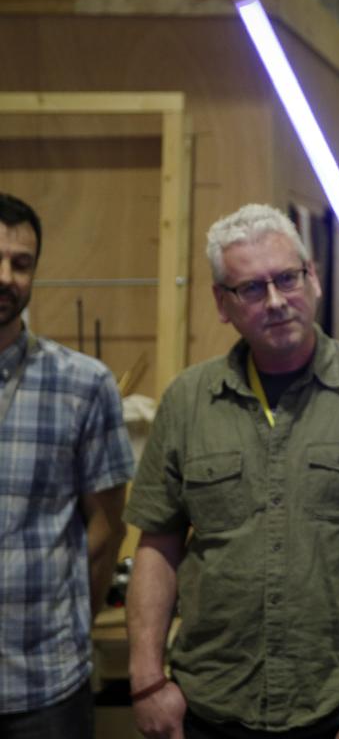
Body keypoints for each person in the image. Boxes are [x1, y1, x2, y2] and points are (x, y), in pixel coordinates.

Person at [125, 204, 339, 739]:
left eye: (287, 279)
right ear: (221, 304)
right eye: (251, 289)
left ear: (313, 277)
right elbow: (157, 546)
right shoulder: (187, 400)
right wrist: (145, 679)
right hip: (210, 705)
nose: (275, 301)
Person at [0, 193, 134, 738]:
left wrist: (73, 631)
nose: (5, 275)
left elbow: (104, 532)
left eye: (21, 263)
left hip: (45, 687)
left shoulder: (83, 384)